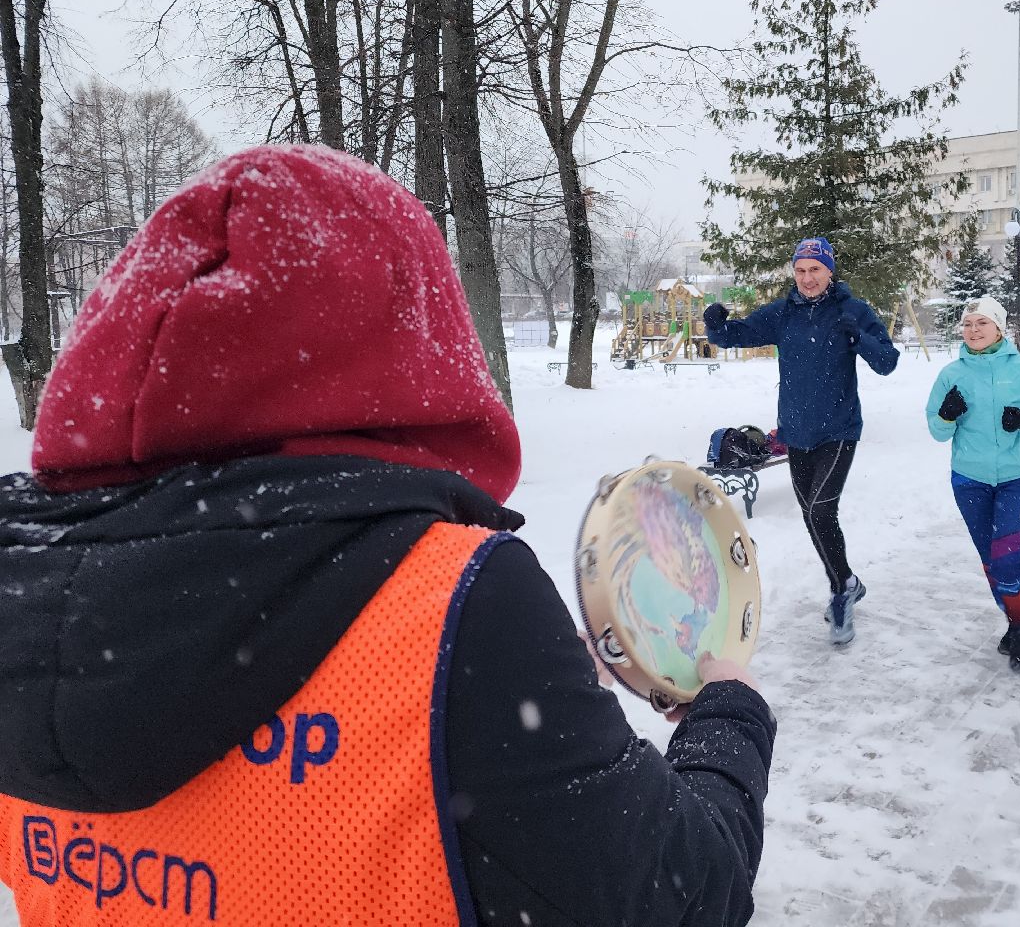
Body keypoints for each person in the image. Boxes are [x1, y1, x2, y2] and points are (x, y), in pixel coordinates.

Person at [0, 145, 776, 926]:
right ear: (419, 343)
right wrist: (729, 712)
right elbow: (687, 897)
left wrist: (525, 707)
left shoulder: (22, 588)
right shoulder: (459, 603)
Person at [703, 237, 898, 646]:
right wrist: (716, 324)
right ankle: (846, 581)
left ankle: (840, 593)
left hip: (839, 430)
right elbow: (734, 336)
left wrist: (857, 338)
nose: (808, 278)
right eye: (801, 270)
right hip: (796, 432)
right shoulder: (783, 313)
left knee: (821, 511)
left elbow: (887, 361)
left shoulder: (852, 310)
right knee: (812, 513)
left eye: (816, 270)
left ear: (830, 271)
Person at [924, 296, 1020, 673]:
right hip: (970, 480)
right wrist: (948, 416)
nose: (973, 330)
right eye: (968, 324)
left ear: (999, 327)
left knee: (1008, 560)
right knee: (991, 562)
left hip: (1019, 477)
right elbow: (935, 429)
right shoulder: (951, 375)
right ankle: (1015, 618)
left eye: (982, 323)